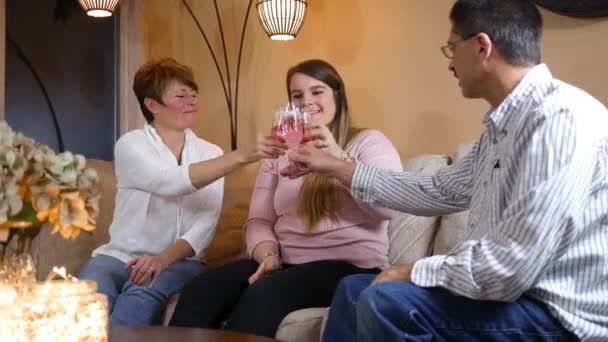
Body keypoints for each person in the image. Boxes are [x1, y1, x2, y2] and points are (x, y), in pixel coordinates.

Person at [289, 1, 608, 341]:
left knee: (386, 301)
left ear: (482, 47)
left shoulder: (559, 120)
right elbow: (436, 190)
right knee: (353, 289)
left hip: (554, 313)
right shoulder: (502, 129)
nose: (451, 63)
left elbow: (512, 267)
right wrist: (339, 167)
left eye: (452, 48)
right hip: (512, 296)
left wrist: (413, 271)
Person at [168, 59, 403, 337]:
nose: (307, 101)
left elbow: (389, 207)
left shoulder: (368, 142)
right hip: (286, 263)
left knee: (263, 296)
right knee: (202, 289)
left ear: (337, 96)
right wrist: (268, 256)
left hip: (350, 268)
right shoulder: (281, 153)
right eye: (297, 95)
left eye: (317, 92)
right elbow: (258, 220)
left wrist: (337, 158)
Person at [78, 58, 285, 326]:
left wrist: (162, 260)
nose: (191, 101)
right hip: (118, 256)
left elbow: (204, 225)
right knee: (89, 291)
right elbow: (169, 181)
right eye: (180, 95)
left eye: (193, 94)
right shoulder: (130, 145)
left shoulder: (211, 153)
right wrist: (241, 155)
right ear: (152, 105)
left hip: (180, 262)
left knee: (143, 290)